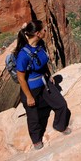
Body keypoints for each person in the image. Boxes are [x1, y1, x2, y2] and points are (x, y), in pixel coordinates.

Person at [14, 20, 71, 150]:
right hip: (31, 89)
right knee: (34, 117)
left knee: (61, 104)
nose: (46, 31)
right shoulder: (23, 55)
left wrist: (49, 74)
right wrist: (28, 96)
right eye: (44, 30)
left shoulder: (40, 45)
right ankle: (36, 139)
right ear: (38, 33)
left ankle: (59, 126)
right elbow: (21, 78)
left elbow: (43, 62)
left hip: (44, 83)